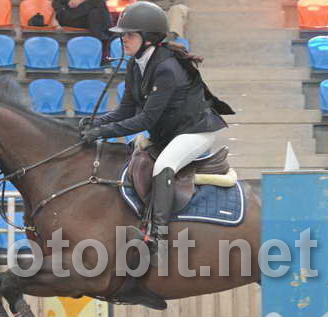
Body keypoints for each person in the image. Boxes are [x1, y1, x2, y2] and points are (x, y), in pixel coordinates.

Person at [78, 1, 233, 253]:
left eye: (130, 35)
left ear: (148, 38)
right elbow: (125, 110)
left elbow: (145, 120)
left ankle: (158, 235)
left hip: (196, 131)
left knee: (164, 165)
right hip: (170, 131)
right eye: (123, 35)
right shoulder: (135, 64)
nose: (123, 39)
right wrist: (96, 122)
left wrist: (101, 133)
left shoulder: (166, 68)